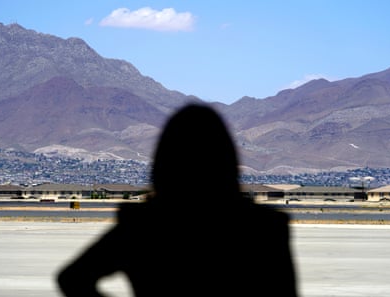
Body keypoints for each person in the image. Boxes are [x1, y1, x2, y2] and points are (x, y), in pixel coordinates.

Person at [57, 103, 297, 297]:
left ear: (164, 162)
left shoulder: (143, 226)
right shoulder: (265, 228)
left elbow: (72, 279)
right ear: (226, 159)